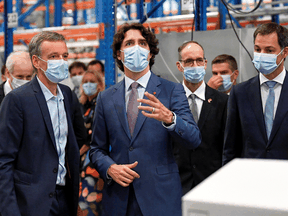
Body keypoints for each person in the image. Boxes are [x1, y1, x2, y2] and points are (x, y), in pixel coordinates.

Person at [89, 23, 201, 216]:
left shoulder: (171, 90)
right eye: (130, 43)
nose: (137, 48)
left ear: (150, 53)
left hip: (160, 198)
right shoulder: (106, 98)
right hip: (119, 199)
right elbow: (96, 149)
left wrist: (171, 119)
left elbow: (193, 139)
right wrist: (110, 168)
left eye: (142, 43)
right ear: (119, 54)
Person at [0, 31, 80, 216]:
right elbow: (4, 160)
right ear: (36, 62)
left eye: (64, 56)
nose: (61, 61)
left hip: (65, 198)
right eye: (53, 56)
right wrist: (10, 210)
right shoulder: (17, 100)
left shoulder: (67, 94)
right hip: (31, 202)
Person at [223, 22, 288, 165]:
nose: (261, 55)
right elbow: (231, 147)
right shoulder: (240, 93)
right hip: (250, 179)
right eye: (258, 49)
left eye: (269, 50)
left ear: (284, 52)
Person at [174, 41, 228, 195]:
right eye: (189, 61)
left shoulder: (223, 102)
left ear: (205, 64)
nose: (195, 65)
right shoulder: (169, 100)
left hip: (213, 185)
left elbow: (227, 147)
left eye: (199, 60)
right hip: (178, 185)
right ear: (180, 66)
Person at [78, 71, 105, 215]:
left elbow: (95, 135)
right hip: (79, 162)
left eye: (92, 81)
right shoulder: (81, 105)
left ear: (100, 85)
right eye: (85, 81)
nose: (88, 84)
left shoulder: (101, 104)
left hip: (93, 162)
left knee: (90, 202)